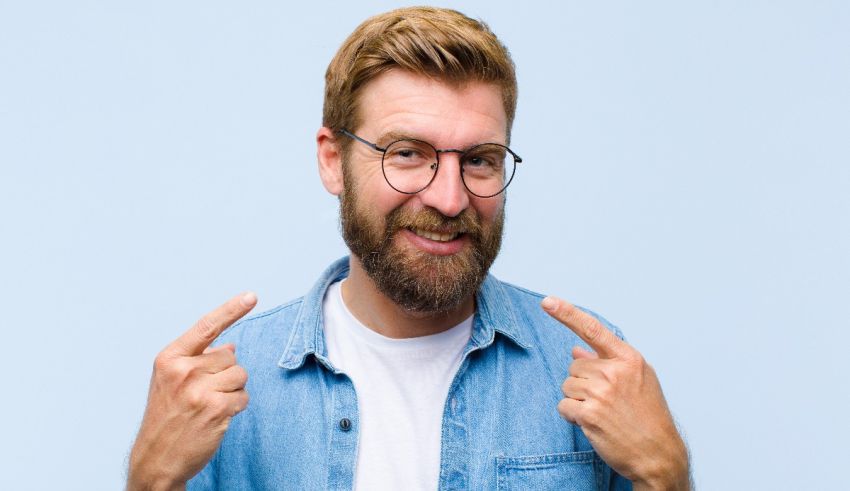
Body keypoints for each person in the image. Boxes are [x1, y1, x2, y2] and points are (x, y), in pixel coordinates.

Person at [127, 6, 690, 490]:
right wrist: (152, 480)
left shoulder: (588, 363)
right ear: (332, 161)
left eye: (479, 160)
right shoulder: (224, 386)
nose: (449, 199)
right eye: (406, 153)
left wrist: (665, 475)